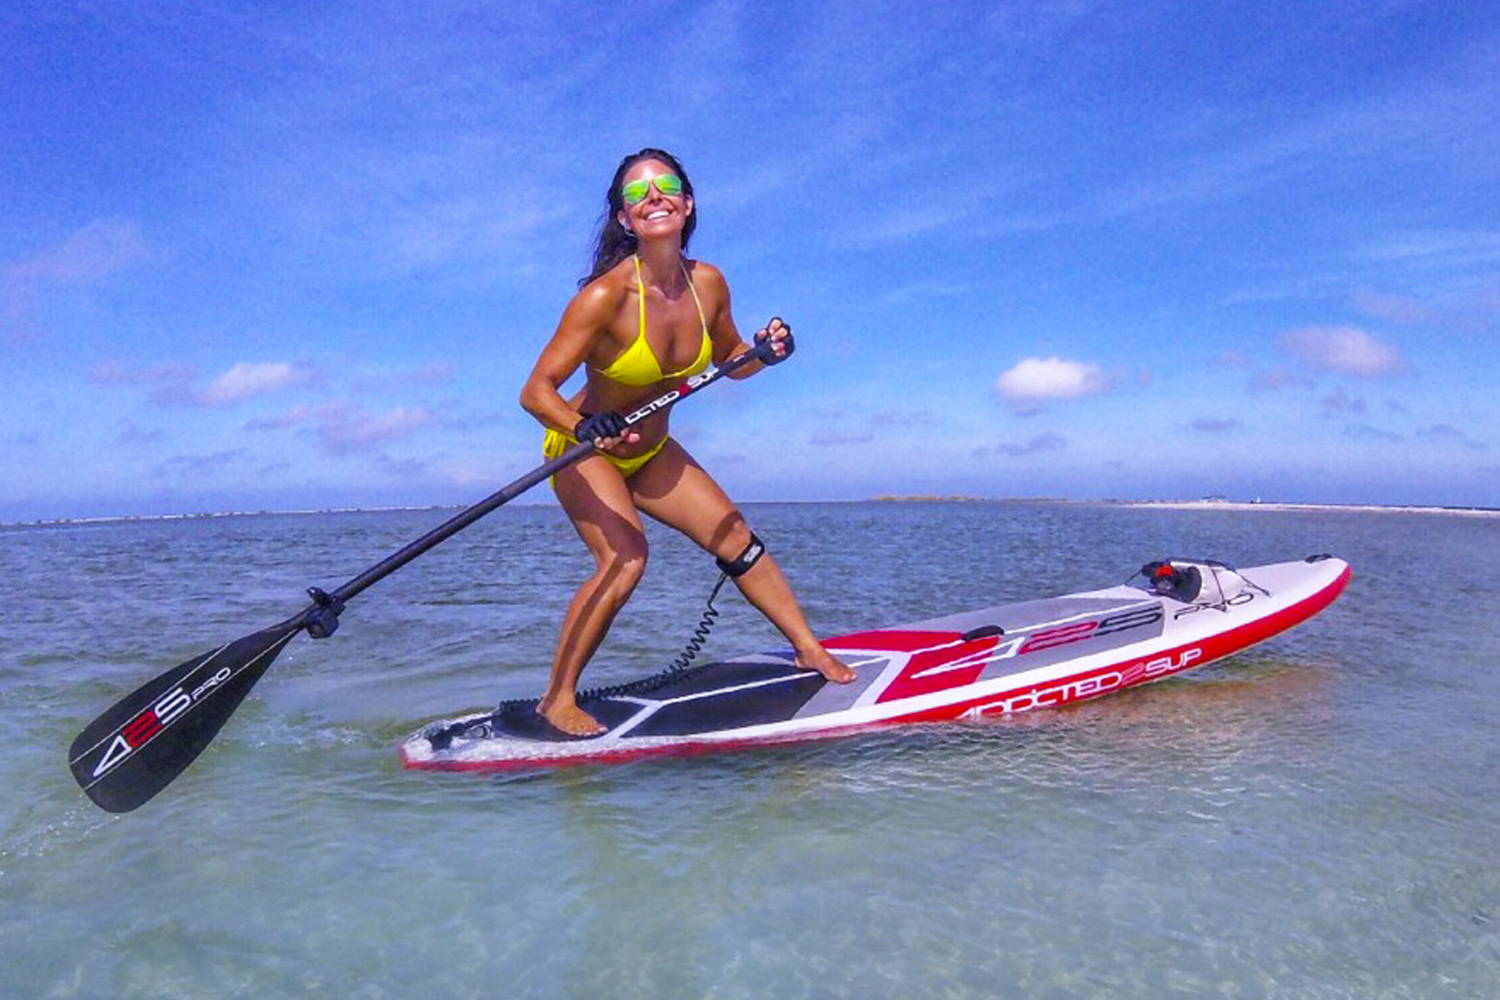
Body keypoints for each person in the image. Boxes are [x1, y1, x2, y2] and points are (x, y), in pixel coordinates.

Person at [519, 148, 856, 736]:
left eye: (666, 185)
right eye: (636, 194)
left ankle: (807, 647)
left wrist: (765, 355)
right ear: (625, 220)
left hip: (651, 451)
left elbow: (732, 363)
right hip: (585, 450)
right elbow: (536, 391)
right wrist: (581, 427)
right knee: (626, 558)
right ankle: (558, 699)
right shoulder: (605, 298)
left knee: (735, 539)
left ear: (687, 202)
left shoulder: (708, 284)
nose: (653, 197)